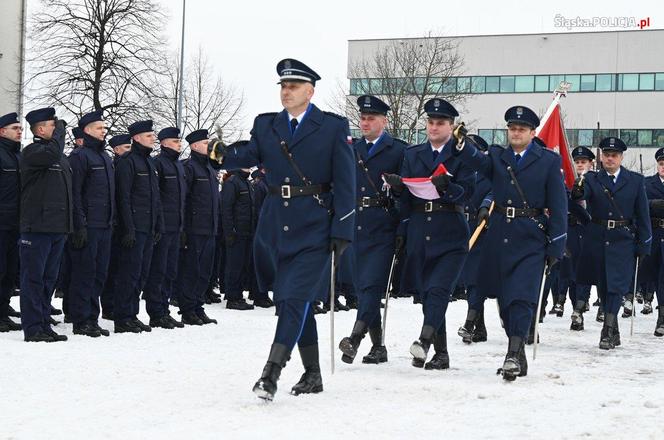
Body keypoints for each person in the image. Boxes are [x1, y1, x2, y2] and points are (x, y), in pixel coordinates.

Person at [223, 59, 355, 401]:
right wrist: (221, 153)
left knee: (294, 298)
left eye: (293, 86)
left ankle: (271, 372)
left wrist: (343, 229)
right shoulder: (266, 125)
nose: (286, 91)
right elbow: (250, 153)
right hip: (275, 227)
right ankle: (312, 373)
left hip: (315, 226)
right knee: (293, 303)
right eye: (283, 86)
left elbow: (345, 181)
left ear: (309, 92)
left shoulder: (332, 127)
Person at [454, 105, 567, 380]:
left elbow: (559, 206)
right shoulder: (498, 156)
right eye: (512, 128)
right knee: (505, 300)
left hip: (531, 237)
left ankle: (513, 353)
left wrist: (557, 245)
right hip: (500, 236)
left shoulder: (548, 162)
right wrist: (462, 143)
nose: (516, 133)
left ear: (531, 132)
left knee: (521, 297)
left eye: (522, 129)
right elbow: (478, 162)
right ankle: (518, 352)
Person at [384, 98, 475, 370]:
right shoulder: (413, 154)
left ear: (451, 126)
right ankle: (442, 353)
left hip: (451, 230)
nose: (434, 127)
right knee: (429, 293)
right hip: (420, 230)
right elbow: (406, 202)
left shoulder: (462, 154)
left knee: (438, 289)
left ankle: (424, 341)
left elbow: (468, 193)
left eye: (441, 123)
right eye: (431, 122)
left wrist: (447, 187)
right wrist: (399, 189)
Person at [338, 95, 406, 365]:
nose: (365, 123)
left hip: (383, 224)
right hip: (356, 223)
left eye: (371, 118)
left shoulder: (398, 150)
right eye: (363, 118)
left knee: (372, 285)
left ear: (384, 121)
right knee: (364, 286)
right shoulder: (350, 150)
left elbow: (408, 193)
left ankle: (354, 338)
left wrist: (403, 224)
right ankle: (378, 347)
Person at [571, 137, 651, 349]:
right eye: (606, 154)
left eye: (614, 155)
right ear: (601, 157)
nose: (610, 158)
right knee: (605, 286)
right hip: (598, 237)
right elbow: (580, 197)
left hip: (623, 239)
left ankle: (606, 331)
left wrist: (645, 243)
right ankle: (613, 327)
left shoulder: (635, 180)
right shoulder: (591, 179)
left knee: (616, 285)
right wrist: (578, 189)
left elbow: (643, 214)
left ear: (621, 157)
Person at [19, 107, 73, 342]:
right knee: (33, 278)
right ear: (40, 129)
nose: (58, 129)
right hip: (37, 228)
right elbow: (50, 154)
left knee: (49, 279)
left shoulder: (59, 157)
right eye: (53, 125)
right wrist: (60, 134)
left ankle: (43, 322)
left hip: (57, 228)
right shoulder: (32, 152)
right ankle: (32, 328)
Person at [67, 110, 115, 337]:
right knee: (84, 274)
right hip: (88, 226)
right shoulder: (80, 156)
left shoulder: (105, 157)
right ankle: (80, 319)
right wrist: (79, 225)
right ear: (86, 130)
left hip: (105, 225)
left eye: (104, 128)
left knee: (99, 274)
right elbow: (75, 194)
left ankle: (92, 318)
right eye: (99, 128)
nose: (103, 131)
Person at [113, 120, 163, 333]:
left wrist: (158, 223)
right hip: (134, 229)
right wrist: (128, 228)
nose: (153, 138)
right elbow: (123, 197)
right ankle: (122, 317)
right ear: (136, 138)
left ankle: (132, 314)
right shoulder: (128, 162)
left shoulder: (149, 163)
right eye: (149, 135)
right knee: (129, 274)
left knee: (141, 274)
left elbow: (155, 197)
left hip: (148, 228)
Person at [174, 129, 219, 325]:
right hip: (194, 229)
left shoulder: (209, 169)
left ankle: (198, 306)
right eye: (205, 142)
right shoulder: (189, 168)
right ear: (194, 146)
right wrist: (183, 228)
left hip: (209, 228)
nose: (209, 146)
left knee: (205, 272)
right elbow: (183, 200)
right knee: (191, 270)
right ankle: (187, 309)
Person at [143, 127, 186, 329]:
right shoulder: (158, 163)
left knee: (170, 271)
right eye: (176, 141)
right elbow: (156, 198)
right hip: (162, 227)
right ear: (165, 143)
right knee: (158, 271)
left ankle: (165, 309)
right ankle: (156, 312)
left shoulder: (178, 166)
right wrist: (158, 224)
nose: (179, 144)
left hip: (176, 226)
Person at [457, 134, 493, 344]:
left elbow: (495, 192)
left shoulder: (488, 173)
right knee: (469, 281)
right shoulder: (458, 171)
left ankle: (470, 322)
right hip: (462, 228)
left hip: (483, 229)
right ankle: (479, 327)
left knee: (475, 279)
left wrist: (485, 206)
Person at [630, 147, 664, 337]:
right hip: (655, 234)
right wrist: (652, 205)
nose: (663, 167)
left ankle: (662, 318)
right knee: (652, 276)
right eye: (661, 164)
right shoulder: (647, 184)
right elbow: (638, 207)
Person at [0, 112, 22, 333]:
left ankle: (4, 310)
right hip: (1, 223)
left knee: (10, 271)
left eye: (20, 128)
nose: (19, 131)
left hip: (16, 223)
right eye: (15, 128)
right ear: (2, 131)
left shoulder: (18, 156)